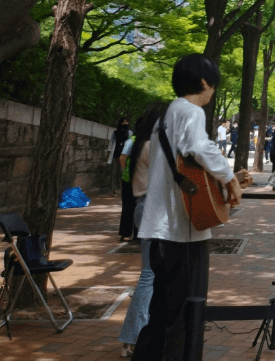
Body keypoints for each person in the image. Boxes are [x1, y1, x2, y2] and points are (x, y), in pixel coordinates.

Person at [132, 54, 247, 361]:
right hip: (180, 232)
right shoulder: (191, 112)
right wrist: (228, 178)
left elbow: (184, 164)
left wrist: (224, 178)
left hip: (156, 229)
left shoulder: (165, 116)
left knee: (160, 310)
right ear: (204, 82)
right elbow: (198, 146)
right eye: (213, 85)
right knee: (184, 312)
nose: (213, 93)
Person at [118, 101, 166, 357]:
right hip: (151, 208)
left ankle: (133, 336)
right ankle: (133, 337)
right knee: (148, 276)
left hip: (142, 207)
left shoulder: (139, 145)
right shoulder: (151, 147)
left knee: (150, 275)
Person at [109, 116, 131, 196]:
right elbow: (111, 144)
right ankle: (114, 190)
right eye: (123, 122)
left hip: (124, 156)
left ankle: (123, 190)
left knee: (123, 173)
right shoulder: (115, 133)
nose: (125, 124)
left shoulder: (129, 133)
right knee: (114, 173)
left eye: (126, 122)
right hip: (115, 155)